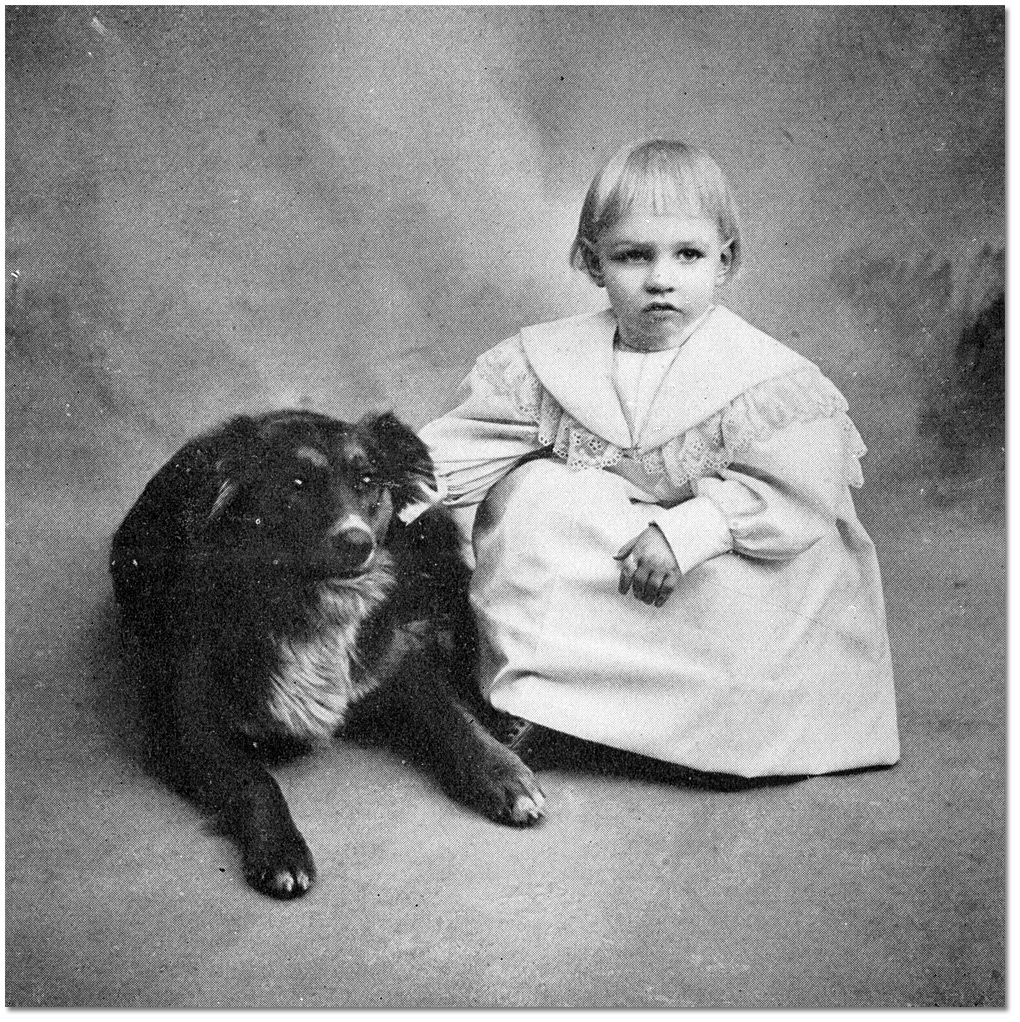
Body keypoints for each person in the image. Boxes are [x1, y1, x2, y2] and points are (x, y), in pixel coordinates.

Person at [418, 139, 899, 779]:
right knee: (531, 496)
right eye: (634, 256)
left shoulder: (767, 378)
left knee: (752, 597)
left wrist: (694, 529)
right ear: (593, 263)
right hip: (624, 553)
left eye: (688, 255)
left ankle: (714, 725)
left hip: (729, 556)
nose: (661, 278)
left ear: (725, 261)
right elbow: (463, 448)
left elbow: (796, 498)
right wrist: (376, 490)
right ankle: (548, 704)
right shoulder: (549, 363)